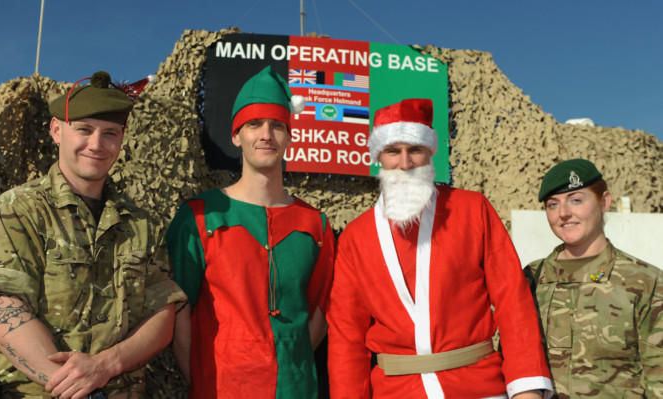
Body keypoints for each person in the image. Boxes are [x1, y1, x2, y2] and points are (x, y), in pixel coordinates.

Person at [327, 98, 553, 398]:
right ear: (379, 156)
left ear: (430, 153)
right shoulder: (356, 236)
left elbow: (513, 299)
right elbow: (346, 335)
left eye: (415, 150)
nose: (405, 163)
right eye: (393, 151)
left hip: (478, 386)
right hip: (397, 391)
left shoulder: (473, 209)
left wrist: (527, 388)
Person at [0, 71, 187, 398]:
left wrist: (106, 365)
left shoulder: (142, 224)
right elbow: (4, 307)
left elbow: (162, 312)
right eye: (84, 130)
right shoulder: (18, 209)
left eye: (110, 133)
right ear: (57, 130)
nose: (97, 145)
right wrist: (72, 386)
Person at [166, 65, 335, 398]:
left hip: (296, 388)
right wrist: (203, 381)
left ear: (290, 135)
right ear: (236, 135)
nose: (266, 135)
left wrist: (287, 360)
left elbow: (319, 314)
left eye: (277, 126)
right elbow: (179, 314)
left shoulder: (317, 224)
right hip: (220, 387)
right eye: (254, 124)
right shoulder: (199, 217)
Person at [525, 158, 662, 398]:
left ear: (604, 202)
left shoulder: (646, 281)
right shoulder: (530, 279)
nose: (564, 213)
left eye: (576, 200)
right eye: (552, 204)